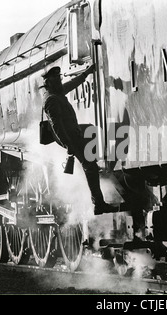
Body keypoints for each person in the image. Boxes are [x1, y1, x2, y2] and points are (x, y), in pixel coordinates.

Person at [42, 65, 116, 215]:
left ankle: (100, 198)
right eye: (56, 79)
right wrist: (68, 145)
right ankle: (99, 204)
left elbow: (73, 83)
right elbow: (57, 126)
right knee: (90, 166)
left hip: (74, 134)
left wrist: (87, 73)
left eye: (59, 78)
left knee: (92, 140)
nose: (59, 81)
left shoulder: (57, 93)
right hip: (71, 138)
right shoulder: (51, 100)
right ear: (49, 82)